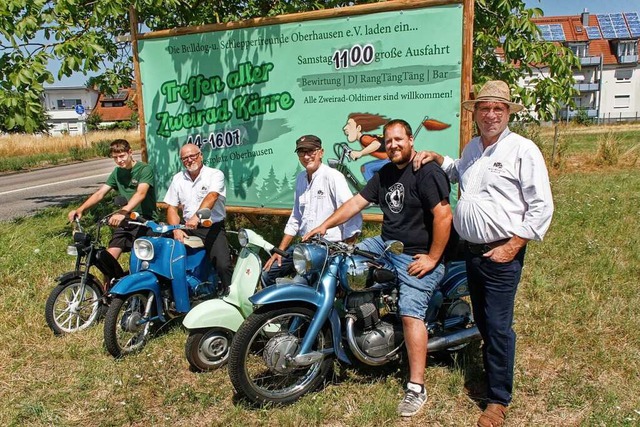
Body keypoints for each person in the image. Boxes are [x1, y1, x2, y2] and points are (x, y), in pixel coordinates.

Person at [413, 80, 554, 427]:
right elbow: (460, 170)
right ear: (475, 113)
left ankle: (498, 399)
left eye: (498, 109)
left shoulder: (523, 150)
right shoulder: (474, 147)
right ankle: (491, 372)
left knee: (498, 325)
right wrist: (437, 158)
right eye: (485, 108)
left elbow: (541, 206)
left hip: (500, 253)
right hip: (471, 252)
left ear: (508, 114)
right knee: (484, 319)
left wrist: (513, 246)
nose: (491, 114)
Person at [304, 120, 452, 417]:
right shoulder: (384, 173)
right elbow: (356, 203)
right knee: (340, 259)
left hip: (418, 254)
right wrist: (324, 226)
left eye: (399, 139)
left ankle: (416, 387)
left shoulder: (427, 173)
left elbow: (444, 216)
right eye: (389, 141)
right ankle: (353, 330)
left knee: (411, 312)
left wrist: (433, 258)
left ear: (410, 140)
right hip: (386, 245)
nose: (393, 145)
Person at [262, 134, 362, 286]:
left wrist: (346, 249)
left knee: (298, 287)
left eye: (311, 151)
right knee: (267, 274)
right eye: (301, 152)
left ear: (321, 152)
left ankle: (299, 306)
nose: (306, 156)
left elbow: (352, 211)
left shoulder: (333, 176)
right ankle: (276, 308)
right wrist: (279, 251)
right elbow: (295, 217)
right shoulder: (301, 178)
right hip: (304, 247)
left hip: (328, 248)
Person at [68, 139, 158, 261]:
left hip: (145, 221)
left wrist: (122, 212)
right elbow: (100, 193)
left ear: (130, 152)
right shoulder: (117, 172)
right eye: (115, 158)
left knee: (139, 262)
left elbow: (141, 193)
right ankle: (110, 280)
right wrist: (80, 209)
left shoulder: (144, 169)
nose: (119, 160)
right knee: (108, 260)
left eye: (122, 156)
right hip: (126, 220)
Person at [164, 143, 233, 294]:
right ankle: (170, 293)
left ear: (201, 155)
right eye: (185, 158)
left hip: (211, 227)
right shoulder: (177, 178)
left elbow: (212, 196)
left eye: (192, 156)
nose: (189, 160)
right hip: (186, 227)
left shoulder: (215, 174)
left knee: (223, 265)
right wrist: (176, 229)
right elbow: (171, 207)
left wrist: (197, 217)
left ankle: (231, 296)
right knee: (162, 251)